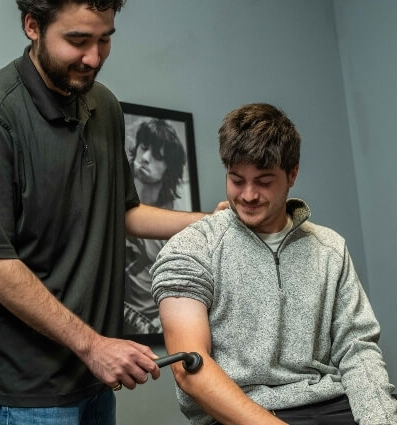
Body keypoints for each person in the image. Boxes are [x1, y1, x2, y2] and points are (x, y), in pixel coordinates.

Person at [0, 1, 225, 424]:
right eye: (77, 41)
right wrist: (93, 345)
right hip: (26, 393)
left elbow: (124, 212)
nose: (93, 58)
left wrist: (213, 223)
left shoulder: (103, 105)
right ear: (32, 26)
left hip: (94, 378)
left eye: (104, 39)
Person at [151, 103, 397, 425]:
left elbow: (357, 349)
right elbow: (190, 369)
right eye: (237, 180)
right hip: (240, 413)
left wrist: (381, 421)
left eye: (264, 181)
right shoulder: (191, 248)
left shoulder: (329, 249)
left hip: (333, 404)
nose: (249, 195)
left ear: (292, 174)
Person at [124, 119, 186, 335]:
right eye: (144, 147)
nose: (146, 158)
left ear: (170, 167)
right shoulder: (111, 197)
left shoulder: (175, 222)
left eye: (158, 156)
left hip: (150, 327)